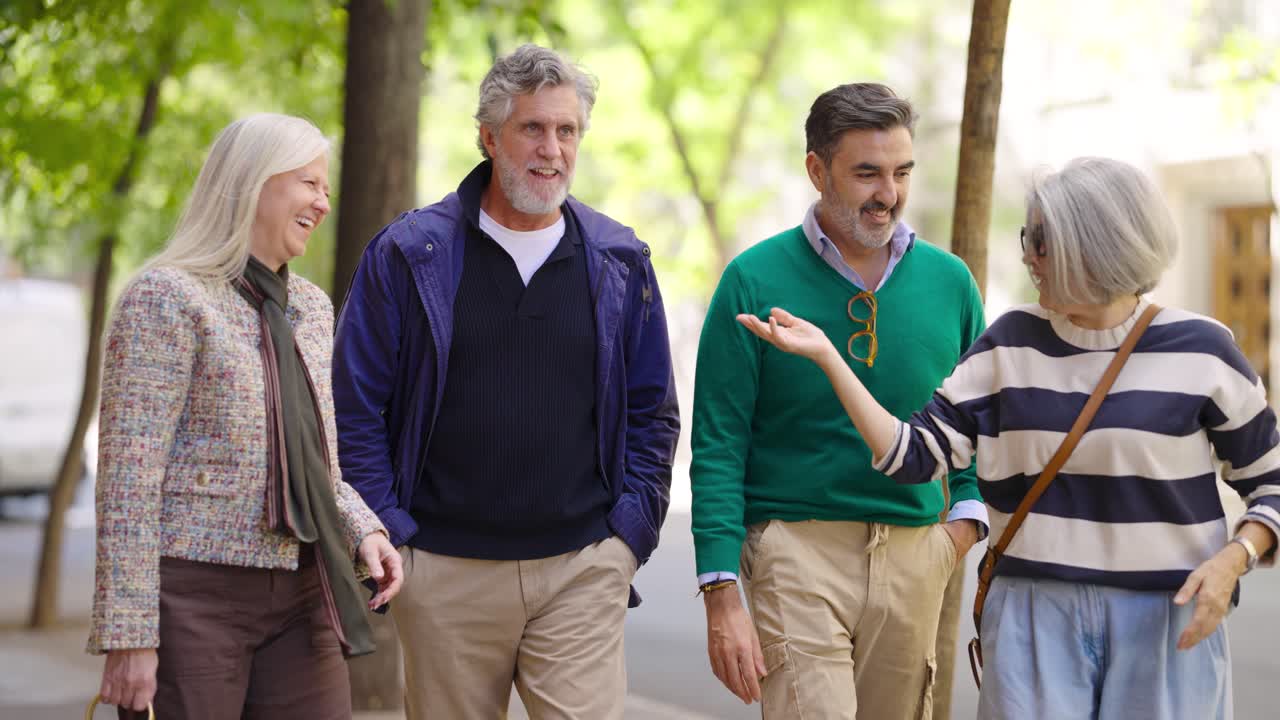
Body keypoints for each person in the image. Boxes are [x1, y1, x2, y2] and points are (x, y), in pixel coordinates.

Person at [739, 156, 1280, 720]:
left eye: (1041, 242)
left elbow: (1272, 485)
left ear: (1094, 245)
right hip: (1032, 619)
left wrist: (1236, 558)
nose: (1028, 256)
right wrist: (829, 356)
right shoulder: (1009, 343)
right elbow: (912, 455)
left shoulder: (1203, 349)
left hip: (1168, 616)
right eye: (1029, 237)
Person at [332, 43, 679, 720]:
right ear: (489, 137)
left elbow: (652, 412)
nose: (552, 149)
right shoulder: (409, 254)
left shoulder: (619, 260)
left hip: (582, 567)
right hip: (443, 572)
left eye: (567, 130)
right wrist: (394, 533)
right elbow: (355, 408)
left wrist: (627, 537)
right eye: (533, 128)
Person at [87, 113, 404, 719]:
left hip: (305, 593)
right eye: (310, 183)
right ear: (254, 181)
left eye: (328, 189)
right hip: (194, 601)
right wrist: (129, 635)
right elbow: (129, 479)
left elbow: (319, 465)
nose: (323, 202)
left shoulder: (311, 308)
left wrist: (364, 529)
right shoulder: (166, 298)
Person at [691, 82, 988, 718]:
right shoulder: (752, 278)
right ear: (817, 170)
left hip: (917, 547)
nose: (889, 194)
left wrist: (961, 527)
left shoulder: (951, 282)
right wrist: (720, 589)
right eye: (867, 174)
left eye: (902, 172)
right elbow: (719, 442)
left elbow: (976, 424)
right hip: (795, 552)